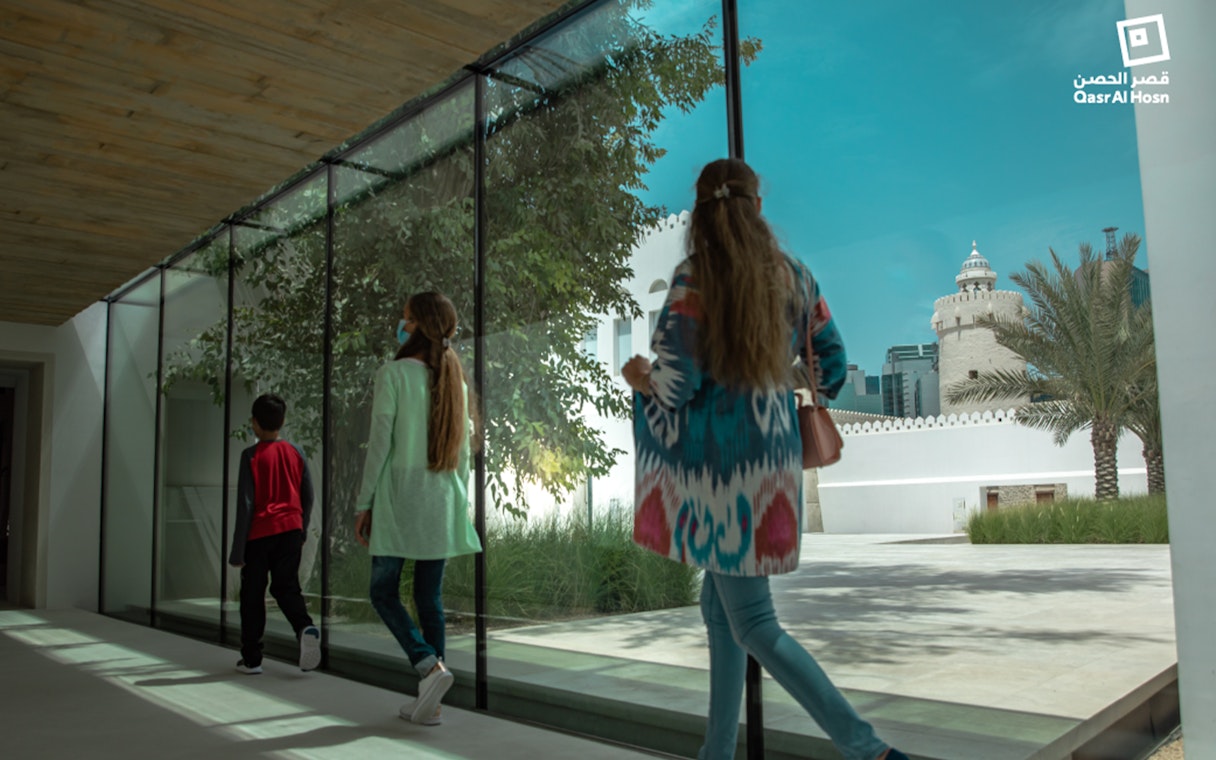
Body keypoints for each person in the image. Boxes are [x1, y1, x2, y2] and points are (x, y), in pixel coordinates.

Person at [622, 158, 909, 760]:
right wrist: (775, 381)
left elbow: (675, 386)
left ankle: (871, 750)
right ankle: (717, 752)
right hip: (771, 467)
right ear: (756, 207)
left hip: (715, 472)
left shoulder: (695, 280)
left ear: (701, 213)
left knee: (753, 623)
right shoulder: (796, 277)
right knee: (719, 611)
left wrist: (640, 375)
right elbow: (831, 364)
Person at [354, 291, 483, 726]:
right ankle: (432, 704)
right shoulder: (454, 381)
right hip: (442, 499)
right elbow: (463, 459)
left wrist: (364, 503)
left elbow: (380, 445)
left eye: (406, 318)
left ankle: (429, 668)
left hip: (400, 496)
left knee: (382, 592)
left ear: (419, 326)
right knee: (430, 598)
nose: (401, 324)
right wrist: (459, 505)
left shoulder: (392, 374)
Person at [229, 393, 321, 675]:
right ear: (282, 421)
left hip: (259, 535)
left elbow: (246, 504)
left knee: (253, 595)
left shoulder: (250, 456)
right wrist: (301, 529)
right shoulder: (296, 452)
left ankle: (252, 659)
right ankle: (304, 627)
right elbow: (308, 496)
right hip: (290, 531)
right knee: (286, 587)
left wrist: (237, 551)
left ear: (255, 423)